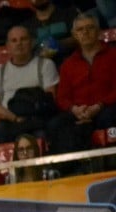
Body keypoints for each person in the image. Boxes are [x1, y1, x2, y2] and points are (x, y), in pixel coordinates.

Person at [48, 14, 116, 159]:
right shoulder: (68, 64)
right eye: (80, 29)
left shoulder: (113, 56)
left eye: (90, 28)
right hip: (79, 112)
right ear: (74, 35)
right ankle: (69, 170)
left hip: (106, 108)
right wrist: (75, 109)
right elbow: (62, 98)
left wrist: (99, 106)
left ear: (98, 31)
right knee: (55, 124)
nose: (85, 32)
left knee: (109, 117)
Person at [0, 26, 60, 146]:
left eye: (23, 39)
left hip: (36, 120)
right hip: (9, 119)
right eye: (14, 40)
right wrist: (15, 118)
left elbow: (51, 97)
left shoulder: (46, 65)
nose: (19, 44)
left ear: (32, 42)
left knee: (43, 139)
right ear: (7, 46)